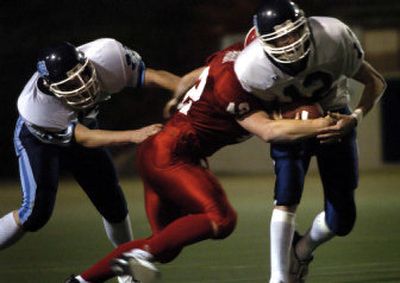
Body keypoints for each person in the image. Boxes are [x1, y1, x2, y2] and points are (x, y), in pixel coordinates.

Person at [65, 40, 338, 283]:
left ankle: (80, 281)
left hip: (160, 152)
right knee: (222, 219)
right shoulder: (238, 81)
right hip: (174, 156)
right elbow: (268, 131)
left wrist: (180, 95)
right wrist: (321, 124)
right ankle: (134, 256)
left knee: (164, 248)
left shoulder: (232, 57)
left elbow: (192, 77)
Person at [0, 38, 179, 283]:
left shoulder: (108, 55)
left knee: (114, 206)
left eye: (83, 74)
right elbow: (83, 138)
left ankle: (127, 270)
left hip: (83, 129)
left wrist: (188, 89)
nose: (82, 85)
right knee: (35, 214)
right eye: (71, 83)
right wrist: (133, 135)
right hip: (41, 142)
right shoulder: (35, 106)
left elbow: (154, 76)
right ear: (51, 87)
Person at [234, 1, 387, 282]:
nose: (289, 43)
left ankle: (302, 249)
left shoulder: (333, 35)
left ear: (305, 25)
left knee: (342, 220)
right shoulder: (249, 67)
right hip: (291, 127)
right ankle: (279, 277)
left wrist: (353, 118)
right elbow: (254, 111)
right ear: (262, 43)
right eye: (279, 39)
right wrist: (279, 119)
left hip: (335, 117)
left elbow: (375, 81)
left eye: (292, 33)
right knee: (286, 197)